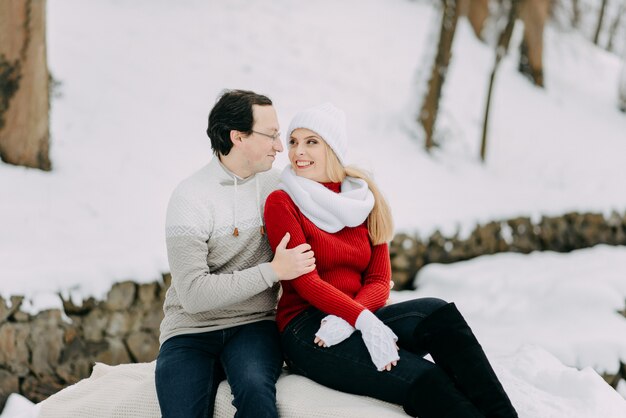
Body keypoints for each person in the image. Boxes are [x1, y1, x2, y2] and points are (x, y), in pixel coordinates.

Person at [263, 103, 518, 418]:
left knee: (437, 314)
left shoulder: (363, 199)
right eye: (293, 142)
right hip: (307, 330)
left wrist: (352, 318)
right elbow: (305, 281)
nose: (298, 152)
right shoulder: (282, 201)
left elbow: (379, 282)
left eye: (310, 142)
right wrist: (362, 320)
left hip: (356, 316)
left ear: (332, 148)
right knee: (429, 378)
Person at [155, 89, 316, 418]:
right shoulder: (191, 198)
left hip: (254, 326)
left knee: (257, 394)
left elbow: (333, 197)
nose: (280, 147)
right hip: (190, 331)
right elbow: (194, 295)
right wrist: (272, 271)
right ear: (238, 137)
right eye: (271, 136)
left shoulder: (279, 187)